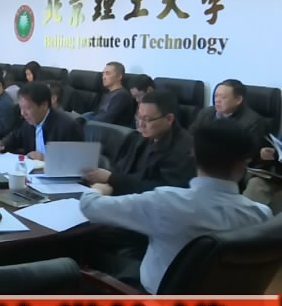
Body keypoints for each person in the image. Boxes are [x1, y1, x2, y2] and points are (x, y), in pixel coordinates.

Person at [80, 118, 273, 293]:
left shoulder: (167, 201)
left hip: (155, 300)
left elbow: (90, 207)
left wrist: (98, 189)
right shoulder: (262, 216)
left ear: (193, 153)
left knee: (83, 259)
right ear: (244, 163)